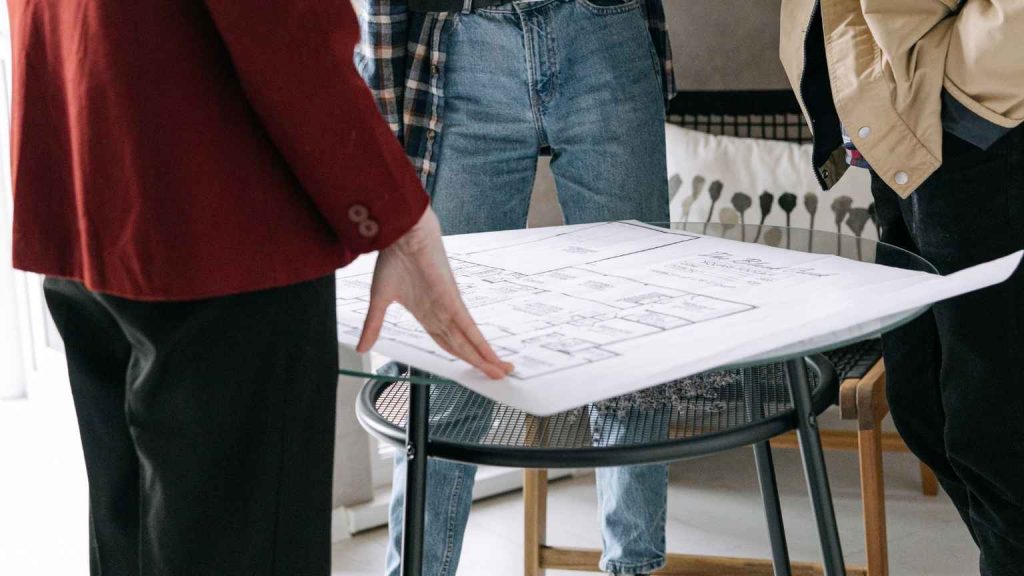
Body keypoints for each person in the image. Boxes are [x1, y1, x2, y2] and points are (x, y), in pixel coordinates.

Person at [7, 1, 512, 575]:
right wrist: (394, 211)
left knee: (133, 539)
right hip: (215, 216)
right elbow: (284, 24)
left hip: (84, 157)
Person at [355, 0, 674, 574]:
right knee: (444, 357)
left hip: (601, 27)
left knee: (637, 331)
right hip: (461, 43)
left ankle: (635, 567)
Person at [779, 1, 1023, 574]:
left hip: (971, 137)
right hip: (901, 137)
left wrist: (955, 94)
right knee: (921, 405)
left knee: (991, 425)